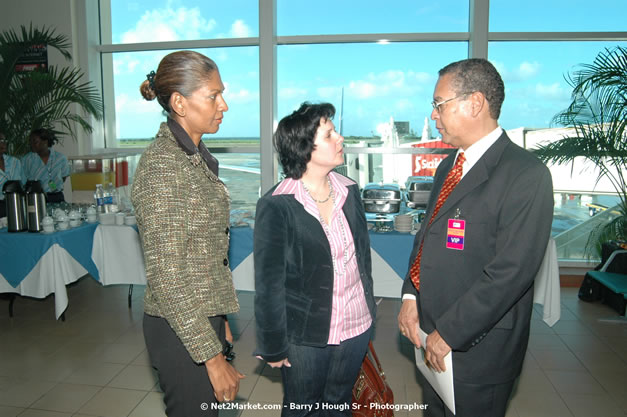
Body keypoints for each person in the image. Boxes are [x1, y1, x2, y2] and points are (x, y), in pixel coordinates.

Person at [397, 59, 554, 417]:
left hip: (478, 346)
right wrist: (411, 295)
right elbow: (427, 235)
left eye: (439, 104)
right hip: (430, 332)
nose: (434, 116)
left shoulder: (526, 175)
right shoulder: (448, 165)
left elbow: (511, 272)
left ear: (475, 103)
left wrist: (450, 333)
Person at [131, 50, 243, 417]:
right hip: (179, 330)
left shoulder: (192, 154)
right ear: (179, 102)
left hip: (200, 316)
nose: (223, 104)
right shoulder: (163, 167)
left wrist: (221, 320)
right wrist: (211, 358)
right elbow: (167, 277)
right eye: (213, 95)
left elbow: (205, 253)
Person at [254, 102, 377, 416]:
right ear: (304, 148)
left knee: (338, 403)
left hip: (355, 324)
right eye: (330, 134)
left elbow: (362, 258)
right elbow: (269, 285)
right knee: (303, 407)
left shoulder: (350, 191)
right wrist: (272, 345)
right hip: (305, 333)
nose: (340, 139)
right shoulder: (277, 204)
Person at [21, 128, 71, 203]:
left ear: (45, 142)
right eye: (30, 141)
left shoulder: (60, 158)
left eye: (35, 141)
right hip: (36, 198)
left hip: (56, 196)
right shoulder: (27, 160)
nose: (31, 144)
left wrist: (53, 185)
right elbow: (24, 180)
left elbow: (64, 177)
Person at [0, 132, 26, 218]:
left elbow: (23, 184)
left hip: (16, 205)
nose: (3, 143)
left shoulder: (15, 162)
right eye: (0, 140)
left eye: (4, 140)